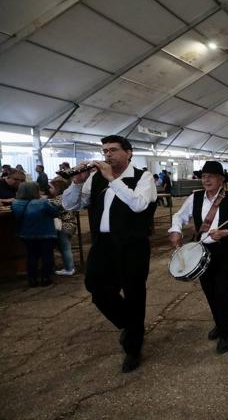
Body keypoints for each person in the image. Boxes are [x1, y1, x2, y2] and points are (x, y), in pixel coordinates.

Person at [62, 135, 157, 373]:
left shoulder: (143, 177)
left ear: (129, 153)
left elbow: (138, 205)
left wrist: (112, 179)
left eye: (113, 150)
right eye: (105, 151)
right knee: (95, 286)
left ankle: (133, 349)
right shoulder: (94, 179)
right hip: (104, 244)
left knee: (134, 292)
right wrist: (76, 182)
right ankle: (131, 324)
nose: (108, 155)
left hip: (132, 245)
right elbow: (71, 206)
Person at [169, 161, 228, 354]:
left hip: (226, 251)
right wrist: (176, 230)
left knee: (222, 290)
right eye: (204, 176)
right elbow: (179, 216)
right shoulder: (194, 198)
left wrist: (226, 232)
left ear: (221, 179)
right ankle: (219, 323)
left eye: (211, 176)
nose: (206, 179)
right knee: (209, 291)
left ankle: (225, 332)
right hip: (202, 252)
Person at [12, 182, 60, 287]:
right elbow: (55, 213)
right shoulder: (42, 202)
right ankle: (45, 278)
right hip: (45, 233)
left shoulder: (15, 203)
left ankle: (32, 280)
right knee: (46, 256)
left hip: (26, 234)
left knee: (31, 256)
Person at [48, 179, 77, 276]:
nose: (49, 190)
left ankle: (69, 268)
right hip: (70, 225)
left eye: (51, 188)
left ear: (57, 189)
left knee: (65, 248)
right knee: (64, 248)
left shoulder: (60, 198)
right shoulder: (67, 197)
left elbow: (50, 204)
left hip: (64, 226)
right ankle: (69, 267)